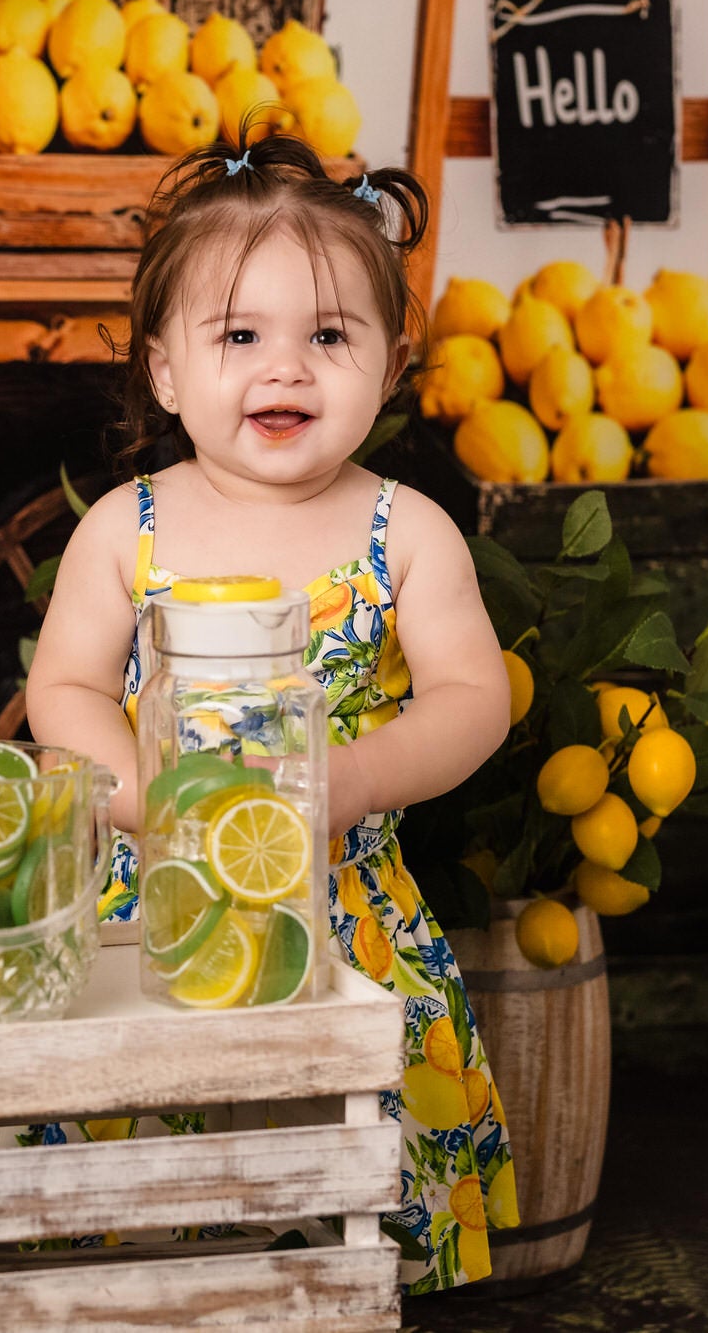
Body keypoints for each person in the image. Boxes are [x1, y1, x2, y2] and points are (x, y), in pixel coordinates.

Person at [26, 132, 518, 1292]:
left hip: (345, 914)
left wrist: (349, 781)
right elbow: (63, 691)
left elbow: (472, 698)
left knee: (340, 1187)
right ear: (163, 371)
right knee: (139, 1181)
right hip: (153, 911)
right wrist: (154, 804)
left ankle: (344, 1290)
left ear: (390, 366)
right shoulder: (126, 528)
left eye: (327, 336)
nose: (283, 369)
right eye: (239, 336)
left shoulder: (405, 532)